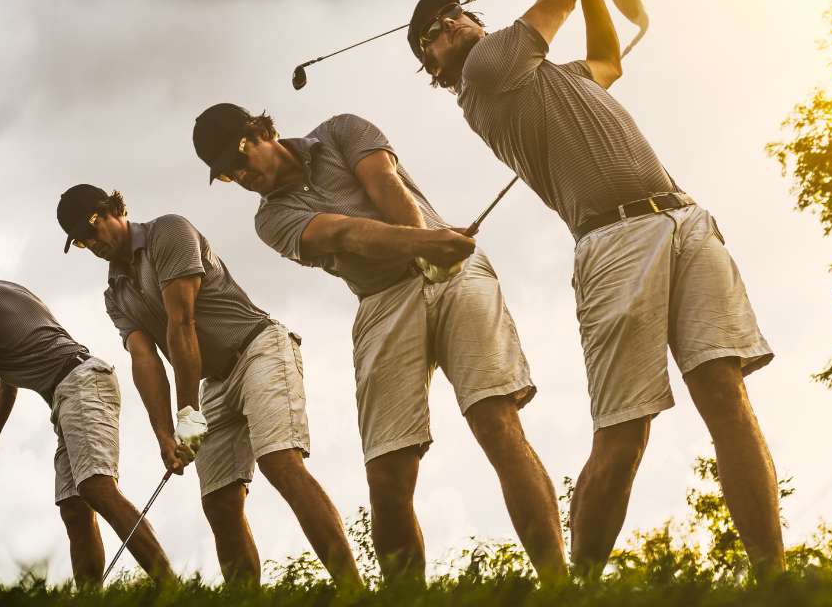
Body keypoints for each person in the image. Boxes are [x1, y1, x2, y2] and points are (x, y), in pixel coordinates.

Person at [408, 0, 783, 577]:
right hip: (613, 244)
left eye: (455, 13)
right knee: (625, 429)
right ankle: (577, 587)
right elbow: (555, 2)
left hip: (683, 218)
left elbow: (606, 60)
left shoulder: (543, 75)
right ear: (437, 62)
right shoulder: (486, 71)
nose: (452, 24)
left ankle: (776, 578)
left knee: (725, 392)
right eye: (436, 32)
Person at [190, 103, 566, 582]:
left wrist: (430, 246)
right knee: (387, 474)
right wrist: (423, 244)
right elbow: (345, 234)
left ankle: (561, 587)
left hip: (455, 273)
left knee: (496, 424)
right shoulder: (271, 220)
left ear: (260, 131)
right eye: (227, 175)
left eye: (239, 159)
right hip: (382, 299)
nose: (240, 176)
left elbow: (385, 184)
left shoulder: (342, 131)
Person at [55, 184, 360, 585]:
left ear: (112, 209)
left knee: (279, 462)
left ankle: (355, 591)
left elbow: (183, 325)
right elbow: (145, 359)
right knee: (219, 501)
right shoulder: (116, 294)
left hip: (258, 348)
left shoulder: (169, 232)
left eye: (92, 229)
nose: (91, 243)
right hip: (213, 381)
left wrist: (187, 416)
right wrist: (165, 433)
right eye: (80, 241)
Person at [0, 251, 174, 585]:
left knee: (96, 487)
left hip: (79, 383)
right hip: (72, 390)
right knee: (74, 508)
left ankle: (171, 588)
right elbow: (8, 383)